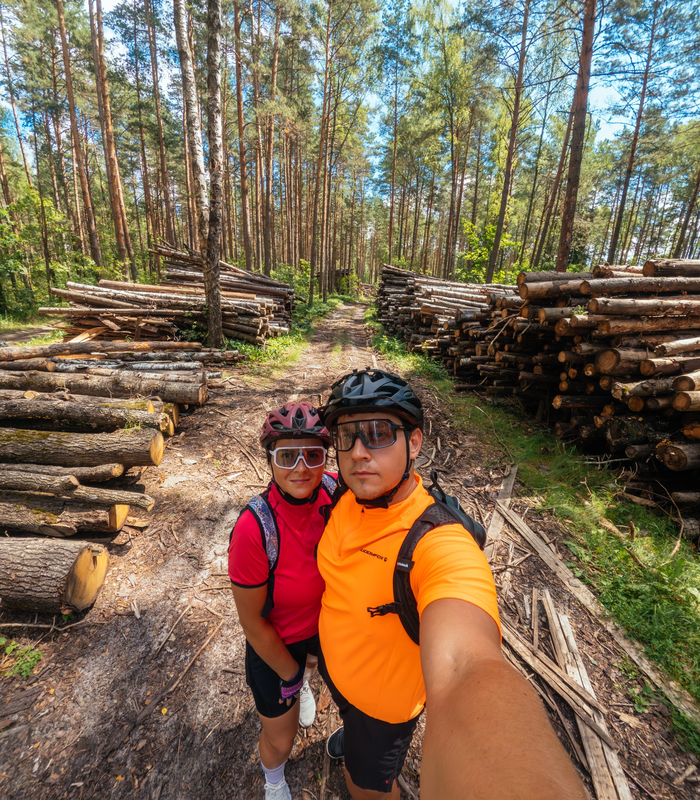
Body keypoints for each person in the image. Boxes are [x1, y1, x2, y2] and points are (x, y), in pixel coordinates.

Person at [316, 369, 587, 800]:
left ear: (416, 443)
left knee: (364, 786)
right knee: (354, 732)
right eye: (346, 436)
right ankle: (350, 735)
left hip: (382, 710)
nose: (358, 452)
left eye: (379, 433)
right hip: (339, 677)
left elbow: (467, 665)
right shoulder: (346, 498)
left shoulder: (437, 543)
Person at [229, 402, 337, 800]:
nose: (302, 467)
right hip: (276, 643)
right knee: (281, 739)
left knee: (308, 665)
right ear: (270, 459)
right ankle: (273, 780)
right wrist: (289, 676)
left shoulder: (332, 493)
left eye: (313, 454)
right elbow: (254, 625)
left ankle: (304, 679)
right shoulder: (254, 529)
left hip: (322, 628)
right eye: (288, 455)